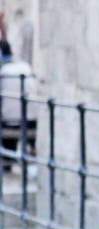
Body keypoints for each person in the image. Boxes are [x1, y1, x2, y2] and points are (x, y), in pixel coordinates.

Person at [0, 11, 37, 169]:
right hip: (32, 122)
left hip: (11, 123)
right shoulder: (24, 68)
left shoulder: (4, 74)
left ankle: (7, 163)